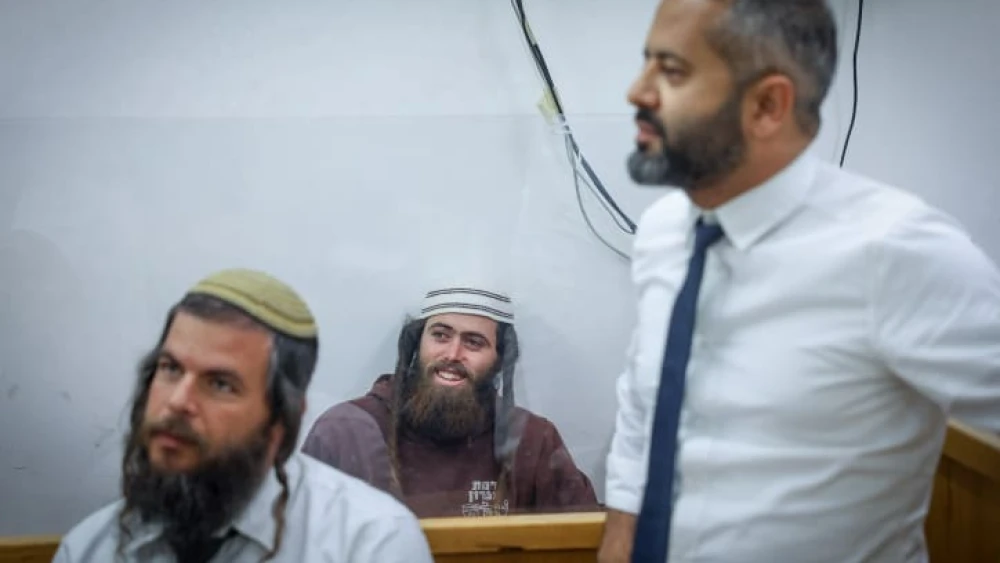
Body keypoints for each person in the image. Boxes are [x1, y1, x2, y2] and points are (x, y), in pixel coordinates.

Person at [599, 1, 1000, 563]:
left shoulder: (897, 251)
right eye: (647, 64)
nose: (636, 92)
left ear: (767, 105)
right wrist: (620, 535)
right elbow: (645, 407)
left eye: (672, 71)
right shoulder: (664, 232)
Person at [54, 268, 433, 563]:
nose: (177, 402)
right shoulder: (91, 548)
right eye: (170, 369)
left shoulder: (368, 544)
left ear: (281, 421)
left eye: (220, 384)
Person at [302, 282, 598, 518]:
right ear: (416, 345)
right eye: (441, 336)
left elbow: (583, 541)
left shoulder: (533, 441)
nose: (453, 355)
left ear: (499, 360)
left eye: (473, 342)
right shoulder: (344, 432)